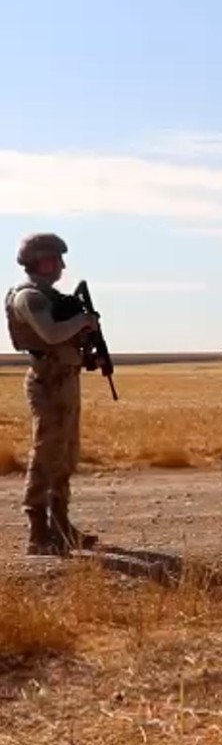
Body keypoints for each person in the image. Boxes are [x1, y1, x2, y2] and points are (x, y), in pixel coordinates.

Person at [5, 233, 100, 555]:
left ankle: (61, 525)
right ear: (42, 261)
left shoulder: (52, 297)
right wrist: (83, 320)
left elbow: (65, 339)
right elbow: (51, 332)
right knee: (47, 452)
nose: (61, 265)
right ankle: (38, 532)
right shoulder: (28, 298)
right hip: (47, 382)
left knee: (66, 453)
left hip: (66, 379)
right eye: (56, 259)